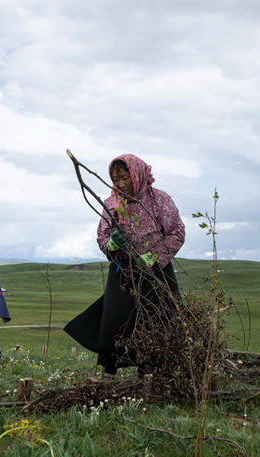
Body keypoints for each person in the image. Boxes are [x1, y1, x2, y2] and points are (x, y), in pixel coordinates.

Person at [64, 154, 185, 380]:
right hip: (123, 270)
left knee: (156, 322)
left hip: (156, 271)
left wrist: (153, 257)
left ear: (137, 175)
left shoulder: (160, 200)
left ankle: (147, 376)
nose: (120, 184)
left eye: (124, 177)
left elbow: (177, 232)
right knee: (115, 322)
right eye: (115, 178)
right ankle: (109, 375)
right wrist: (111, 243)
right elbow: (102, 236)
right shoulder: (112, 204)